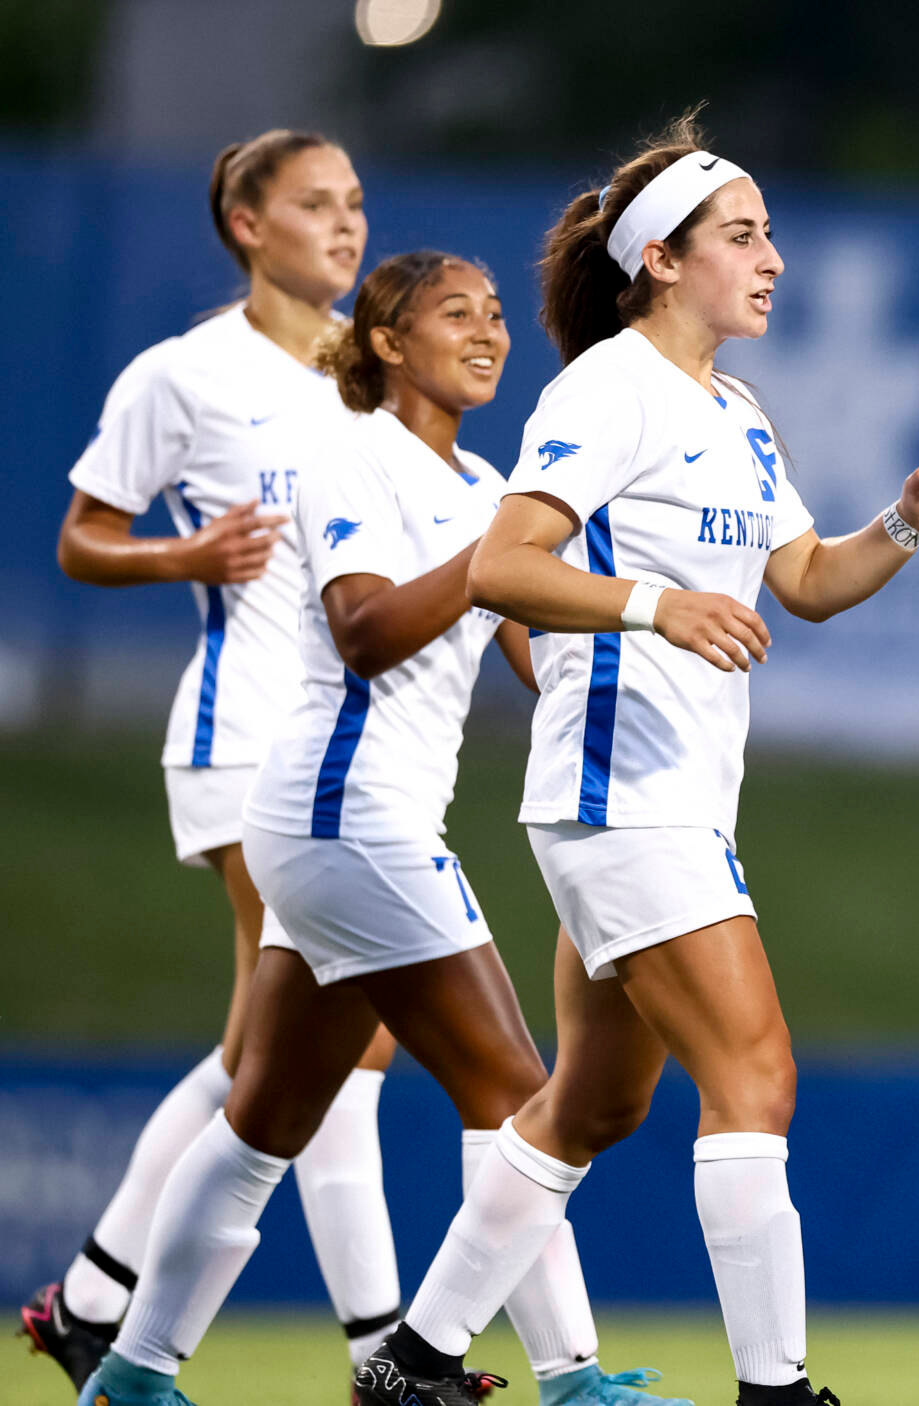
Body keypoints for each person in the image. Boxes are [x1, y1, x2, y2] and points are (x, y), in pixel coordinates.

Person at [352, 116, 919, 1406]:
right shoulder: (607, 386)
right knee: (756, 1071)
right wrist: (656, 604)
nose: (772, 260)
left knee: (588, 1107)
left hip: (665, 794)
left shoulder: (738, 408)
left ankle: (412, 1364)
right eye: (742, 237)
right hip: (617, 791)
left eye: (768, 235)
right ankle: (777, 1388)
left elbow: (804, 582)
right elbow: (503, 564)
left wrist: (904, 527)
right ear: (658, 258)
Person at [75, 251, 689, 1406]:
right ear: (388, 342)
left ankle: (131, 1372)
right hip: (348, 817)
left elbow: (529, 652)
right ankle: (567, 1379)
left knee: (265, 1114)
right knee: (516, 1092)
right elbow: (362, 627)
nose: (490, 331)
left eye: (499, 314)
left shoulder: (488, 480)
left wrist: (637, 641)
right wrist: (493, 559)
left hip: (341, 825)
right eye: (457, 313)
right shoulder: (350, 452)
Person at [29, 128, 402, 1389]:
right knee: (342, 1037)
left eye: (354, 203)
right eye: (314, 204)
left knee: (266, 1046)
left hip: (353, 740)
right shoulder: (184, 375)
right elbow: (85, 537)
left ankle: (92, 1296)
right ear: (246, 224)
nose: (345, 227)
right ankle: (382, 1347)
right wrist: (181, 556)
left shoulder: (378, 369)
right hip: (241, 730)